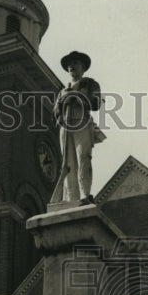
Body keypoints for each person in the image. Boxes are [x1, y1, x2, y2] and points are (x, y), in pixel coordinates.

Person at [50, 50, 105, 205]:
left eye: (75, 63)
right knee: (68, 163)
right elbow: (55, 114)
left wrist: (77, 96)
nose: (71, 66)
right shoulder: (62, 91)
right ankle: (70, 198)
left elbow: (95, 103)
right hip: (66, 127)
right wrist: (62, 102)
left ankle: (85, 193)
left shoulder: (90, 84)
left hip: (81, 122)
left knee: (83, 157)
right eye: (69, 64)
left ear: (83, 67)